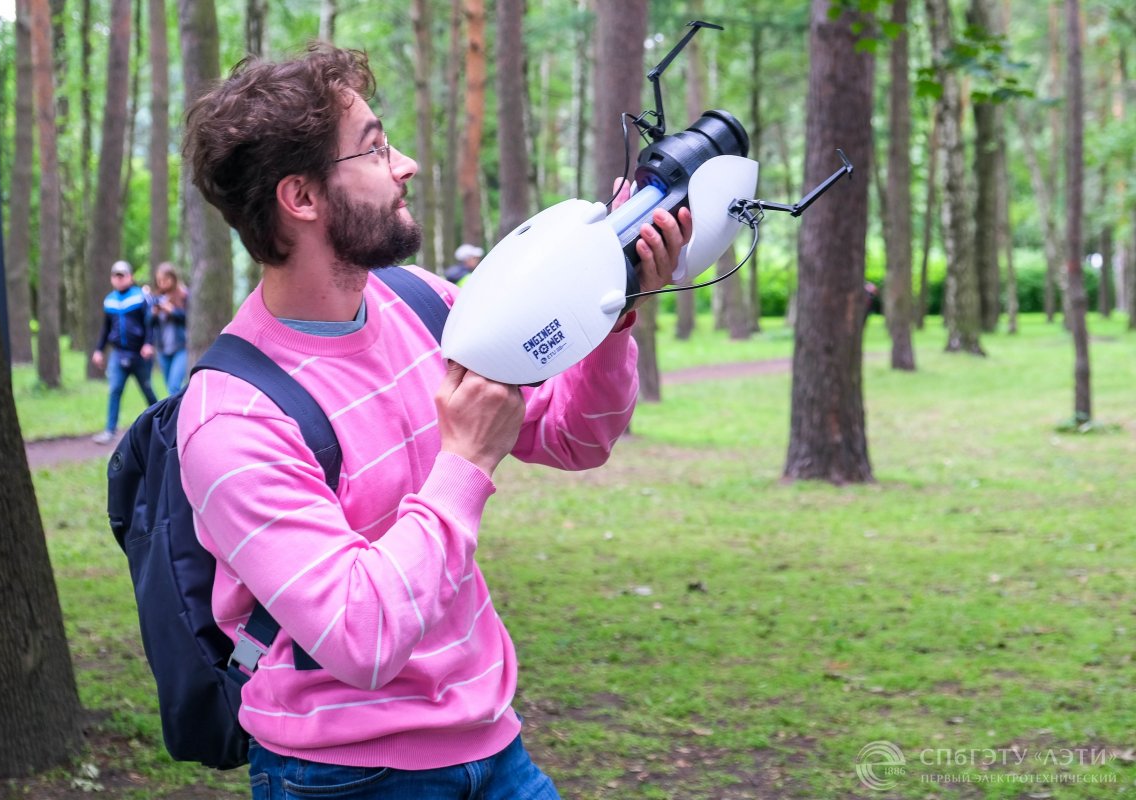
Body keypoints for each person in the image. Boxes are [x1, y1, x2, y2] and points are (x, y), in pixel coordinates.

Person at [177, 43, 690, 799]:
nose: (406, 163)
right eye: (376, 148)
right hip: (345, 774)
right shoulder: (231, 419)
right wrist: (464, 463)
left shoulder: (419, 302)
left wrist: (617, 314)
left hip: (494, 742)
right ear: (303, 198)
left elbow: (576, 436)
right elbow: (363, 637)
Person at [91, 261, 158, 444]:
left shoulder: (140, 297)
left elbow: (149, 323)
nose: (119, 279)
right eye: (115, 276)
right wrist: (99, 350)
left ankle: (162, 425)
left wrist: (148, 344)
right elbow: (106, 328)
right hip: (118, 354)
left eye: (122, 275)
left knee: (147, 390)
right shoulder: (110, 300)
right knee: (114, 390)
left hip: (139, 355)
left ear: (130, 277)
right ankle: (109, 431)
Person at [148, 261, 190, 394]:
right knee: (169, 389)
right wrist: (153, 314)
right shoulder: (157, 298)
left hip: (180, 347)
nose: (162, 283)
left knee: (174, 386)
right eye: (159, 280)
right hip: (162, 349)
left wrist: (173, 311)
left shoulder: (184, 295)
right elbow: (148, 323)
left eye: (165, 279)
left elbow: (190, 319)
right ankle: (178, 412)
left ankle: (179, 415)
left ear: (173, 278)